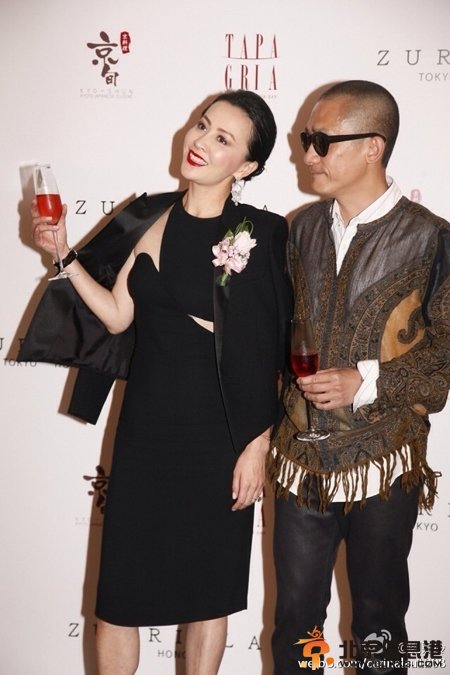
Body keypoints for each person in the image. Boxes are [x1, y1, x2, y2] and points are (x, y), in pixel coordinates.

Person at [20, 90, 290, 675]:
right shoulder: (147, 216)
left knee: (208, 594)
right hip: (145, 430)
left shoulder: (263, 232)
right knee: (118, 599)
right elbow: (119, 317)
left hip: (221, 436)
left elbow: (274, 345)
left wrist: (258, 444)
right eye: (203, 125)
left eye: (223, 139)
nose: (201, 141)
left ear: (246, 166)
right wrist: (64, 255)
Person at [268, 80, 450, 674]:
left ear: (373, 147)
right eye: (306, 140)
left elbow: (447, 350)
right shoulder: (300, 229)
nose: (308, 154)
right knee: (296, 623)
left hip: (383, 459)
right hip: (299, 460)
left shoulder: (431, 238)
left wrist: (365, 380)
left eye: (322, 141)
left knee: (377, 621)